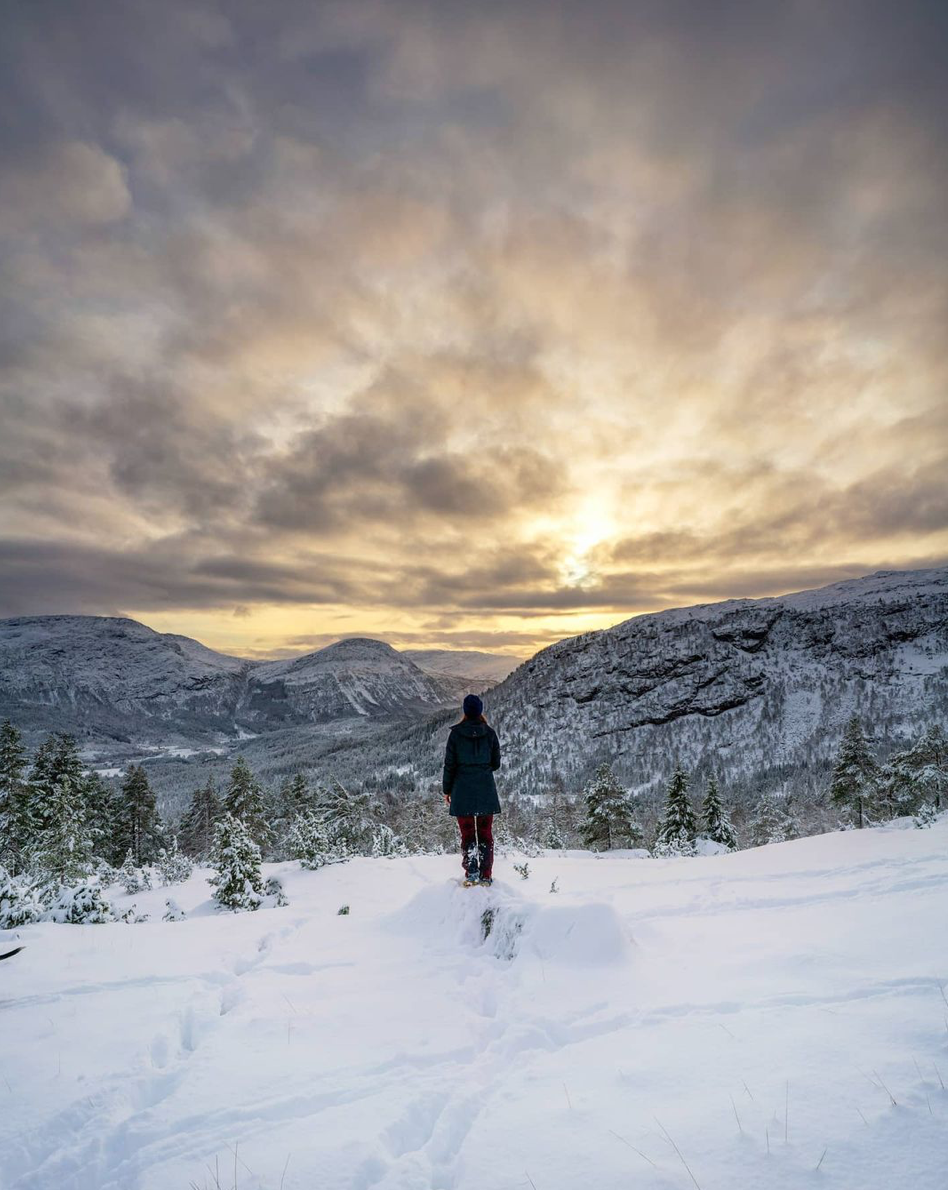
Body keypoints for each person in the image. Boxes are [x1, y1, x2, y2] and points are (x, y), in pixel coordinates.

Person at [442, 693, 501, 885]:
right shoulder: (490, 733)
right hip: (485, 790)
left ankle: (472, 873)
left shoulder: (456, 734)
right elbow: (496, 763)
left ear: (465, 712)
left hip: (462, 790)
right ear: (480, 711)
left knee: (468, 834)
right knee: (485, 834)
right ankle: (486, 875)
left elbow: (449, 765)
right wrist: (481, 770)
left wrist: (447, 790)